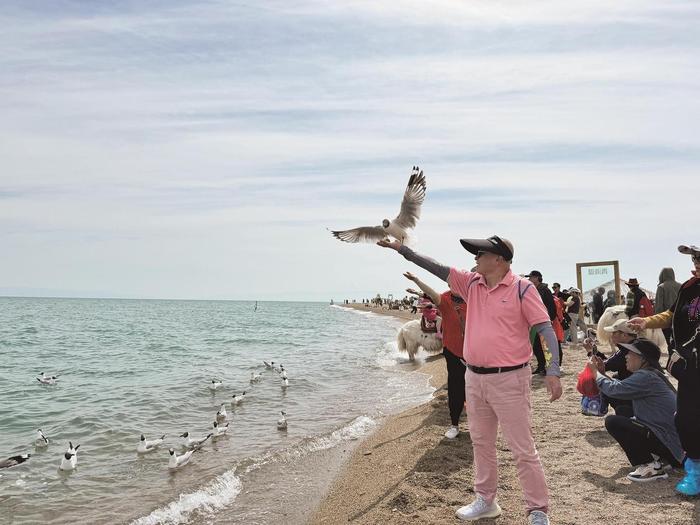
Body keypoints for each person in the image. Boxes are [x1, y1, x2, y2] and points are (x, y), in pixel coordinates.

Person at [377, 234, 561, 525]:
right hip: (474, 377)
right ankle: (486, 500)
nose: (474, 257)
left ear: (499, 259)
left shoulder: (523, 289)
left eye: (480, 253)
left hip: (510, 379)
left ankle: (538, 510)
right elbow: (435, 267)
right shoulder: (471, 283)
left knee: (523, 449)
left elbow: (545, 330)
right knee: (481, 442)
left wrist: (552, 370)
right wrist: (402, 249)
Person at [629, 244, 700, 496]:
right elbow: (671, 314)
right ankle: (695, 472)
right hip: (691, 367)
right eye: (695, 259)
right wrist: (646, 321)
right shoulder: (689, 287)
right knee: (686, 418)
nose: (696, 264)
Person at [588, 338, 683, 481]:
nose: (626, 356)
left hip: (674, 449)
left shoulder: (645, 376)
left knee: (613, 422)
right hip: (674, 445)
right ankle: (660, 459)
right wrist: (602, 372)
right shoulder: (650, 374)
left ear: (643, 359)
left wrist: (596, 373)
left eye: (630, 353)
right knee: (623, 411)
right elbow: (619, 389)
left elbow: (614, 389)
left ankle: (650, 466)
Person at [405, 272, 466, 439]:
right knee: (455, 388)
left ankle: (477, 421)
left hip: (474, 351)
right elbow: (430, 294)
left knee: (475, 389)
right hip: (453, 351)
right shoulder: (444, 299)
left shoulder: (474, 297)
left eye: (456, 283)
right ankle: (454, 425)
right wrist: (417, 280)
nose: (452, 286)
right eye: (450, 283)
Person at [584, 318, 637, 417]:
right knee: (616, 376)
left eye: (614, 333)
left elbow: (601, 366)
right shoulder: (635, 346)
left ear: (624, 335)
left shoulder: (626, 352)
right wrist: (594, 351)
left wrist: (590, 352)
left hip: (635, 399)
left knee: (600, 380)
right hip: (639, 394)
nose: (611, 336)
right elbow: (611, 362)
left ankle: (598, 408)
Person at [525, 271, 557, 376]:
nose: (529, 279)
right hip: (535, 322)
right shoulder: (533, 289)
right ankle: (541, 366)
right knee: (537, 346)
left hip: (543, 322)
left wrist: (550, 319)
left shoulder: (545, 290)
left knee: (546, 346)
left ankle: (547, 367)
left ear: (537, 278)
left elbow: (551, 306)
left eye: (531, 277)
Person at [655, 267, 681, 349]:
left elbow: (659, 307)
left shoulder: (661, 287)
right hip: (680, 320)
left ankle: (673, 361)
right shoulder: (681, 286)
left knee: (670, 346)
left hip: (667, 321)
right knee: (679, 345)